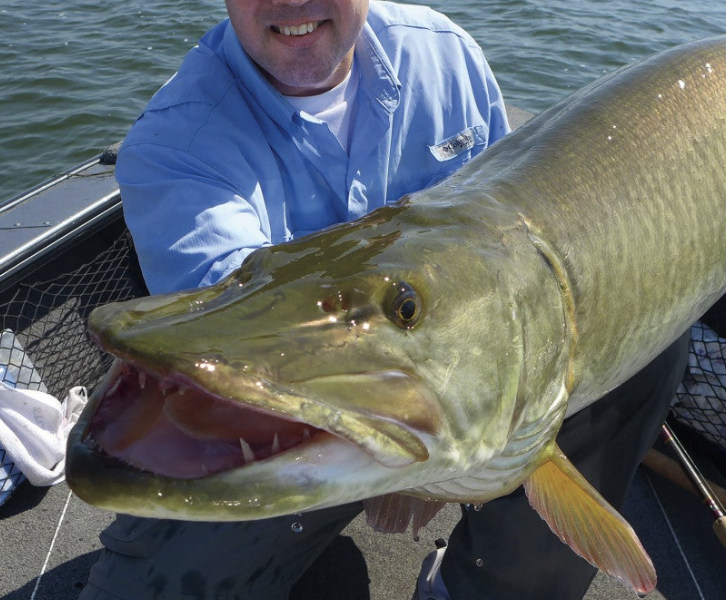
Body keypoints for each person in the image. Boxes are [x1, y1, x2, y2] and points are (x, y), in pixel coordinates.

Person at [80, 1, 689, 598]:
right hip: (296, 432)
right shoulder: (174, 143)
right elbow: (236, 362)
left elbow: (504, 255)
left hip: (448, 399)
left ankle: (481, 585)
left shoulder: (445, 58)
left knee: (638, 351)